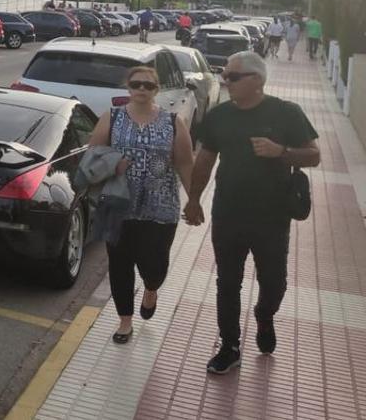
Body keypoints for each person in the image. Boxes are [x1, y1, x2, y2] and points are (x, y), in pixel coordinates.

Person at [185, 52, 320, 375]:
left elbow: (314, 156)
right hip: (228, 213)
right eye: (225, 75)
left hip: (272, 217)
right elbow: (204, 159)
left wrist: (282, 152)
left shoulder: (287, 113)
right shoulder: (219, 116)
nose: (225, 81)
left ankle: (264, 314)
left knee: (275, 283)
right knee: (227, 282)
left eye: (233, 77)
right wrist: (193, 200)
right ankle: (230, 345)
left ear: (256, 81)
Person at [88, 66, 194, 344]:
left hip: (161, 208)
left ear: (157, 89)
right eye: (137, 84)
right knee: (120, 264)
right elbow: (92, 157)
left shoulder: (173, 122)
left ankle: (151, 288)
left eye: (148, 85)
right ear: (128, 87)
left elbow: (184, 162)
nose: (142, 90)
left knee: (155, 265)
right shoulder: (111, 118)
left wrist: (194, 200)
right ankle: (125, 321)